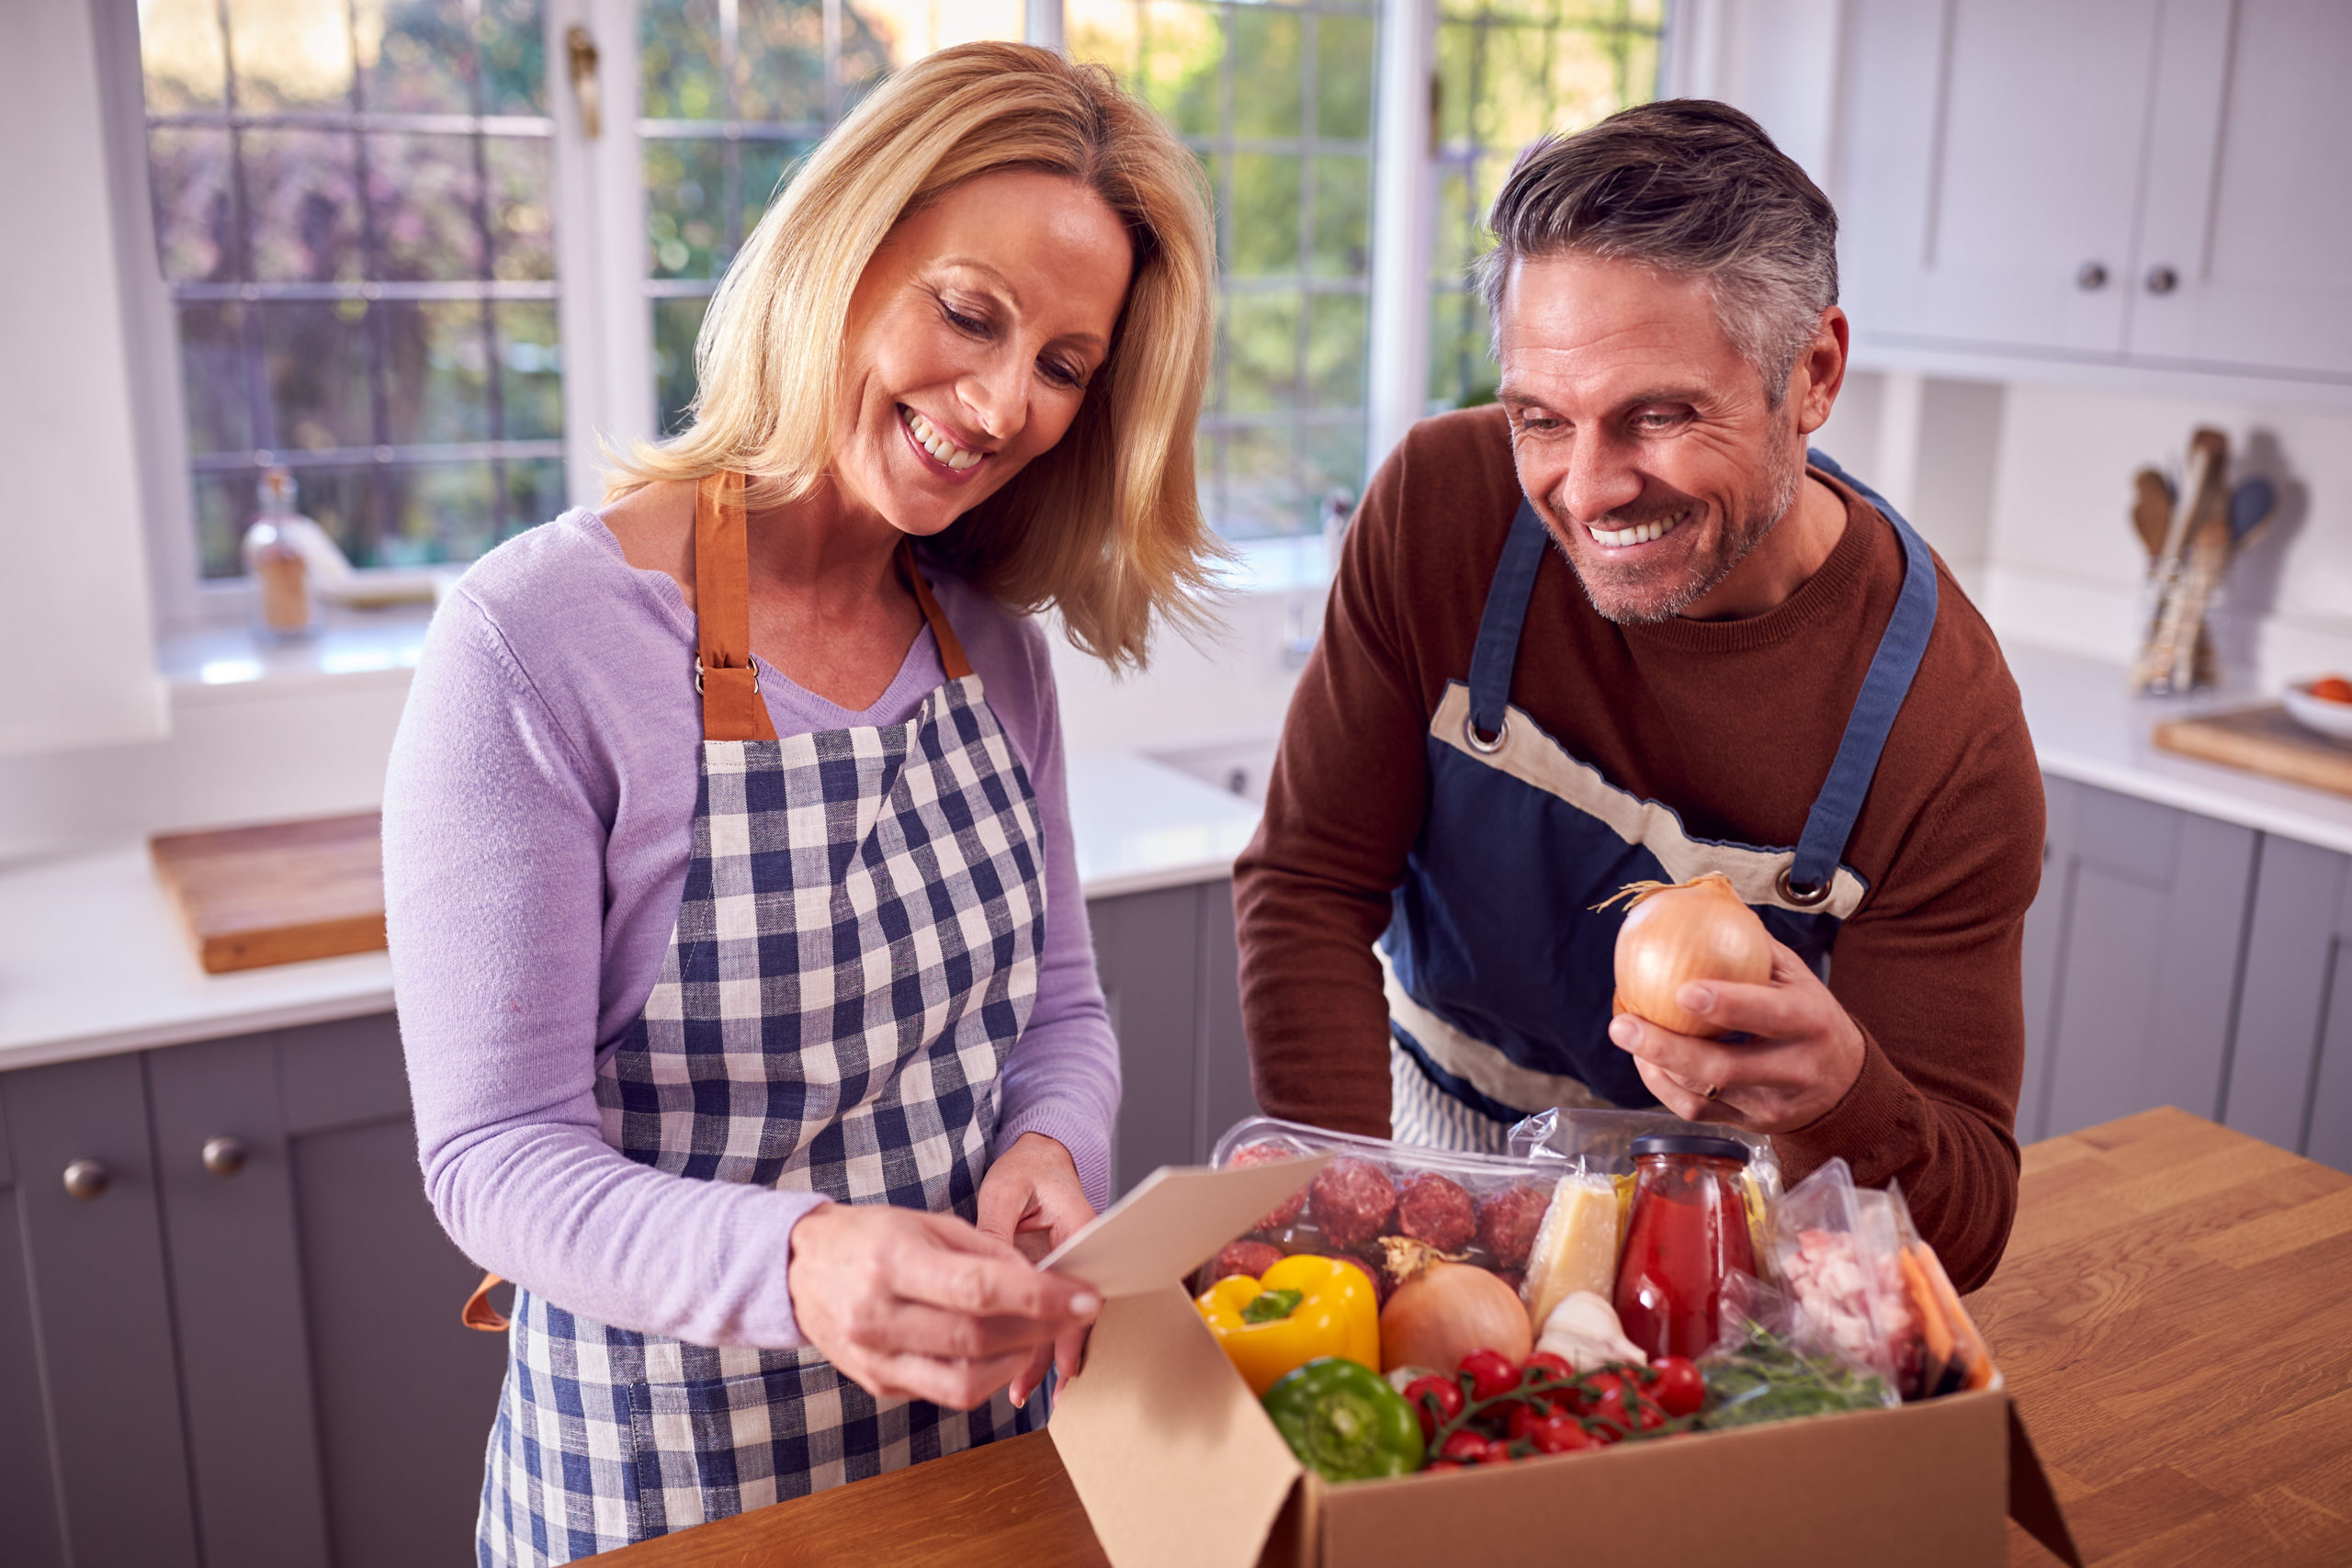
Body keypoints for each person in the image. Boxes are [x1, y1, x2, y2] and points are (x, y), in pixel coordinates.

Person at [382, 43, 1216, 1564]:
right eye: (970, 313)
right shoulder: (534, 641)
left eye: (1062, 367)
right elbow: (496, 1155)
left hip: (984, 1456)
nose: (1000, 400)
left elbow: (1060, 1012)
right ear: (842, 249)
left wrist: (1053, 1149)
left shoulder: (991, 651)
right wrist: (804, 1263)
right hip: (666, 1492)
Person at [1233, 100, 2042, 1293]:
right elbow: (1306, 885)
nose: (1590, 487)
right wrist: (1361, 1227)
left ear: (1811, 375)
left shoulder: (1945, 732)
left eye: (1657, 416)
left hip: (1734, 1234)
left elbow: (1963, 1230)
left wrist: (1841, 1093)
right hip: (1436, 1152)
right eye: (1541, 420)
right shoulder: (1441, 513)